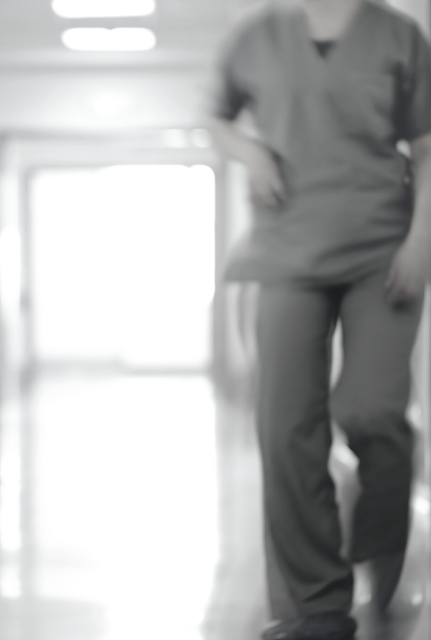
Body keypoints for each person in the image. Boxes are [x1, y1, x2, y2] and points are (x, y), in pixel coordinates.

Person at [209, 1, 431, 638]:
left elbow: (426, 144)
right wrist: (244, 149)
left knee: (372, 410)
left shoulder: (398, 35)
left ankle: (384, 526)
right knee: (284, 428)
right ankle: (318, 608)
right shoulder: (255, 35)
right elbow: (213, 115)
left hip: (382, 248)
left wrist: (421, 240)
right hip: (286, 249)